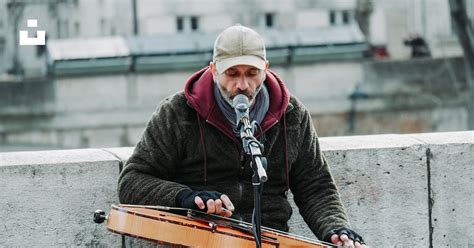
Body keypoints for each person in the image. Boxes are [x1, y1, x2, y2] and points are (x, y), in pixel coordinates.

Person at [118, 24, 367, 248]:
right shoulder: (178, 112)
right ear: (214, 70)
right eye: (232, 73)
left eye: (251, 73)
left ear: (266, 69)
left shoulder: (293, 115)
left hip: (271, 238)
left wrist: (334, 229)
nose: (242, 85)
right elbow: (132, 180)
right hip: (198, 240)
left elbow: (315, 185)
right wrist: (187, 196)